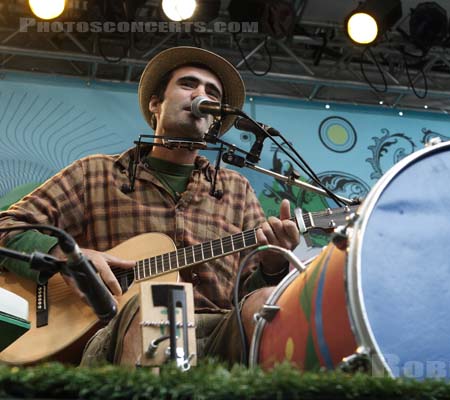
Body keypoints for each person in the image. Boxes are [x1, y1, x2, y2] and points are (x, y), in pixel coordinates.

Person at [0, 46, 300, 366]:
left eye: (212, 92)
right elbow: (7, 227)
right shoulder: (96, 173)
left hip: (216, 332)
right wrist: (65, 258)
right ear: (155, 104)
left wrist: (271, 265)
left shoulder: (237, 191)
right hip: (117, 331)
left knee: (268, 303)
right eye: (188, 84)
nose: (201, 94)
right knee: (161, 303)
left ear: (215, 121)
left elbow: (246, 294)